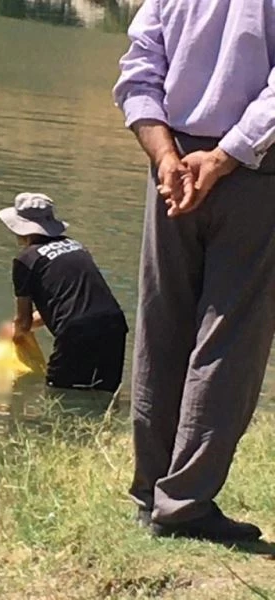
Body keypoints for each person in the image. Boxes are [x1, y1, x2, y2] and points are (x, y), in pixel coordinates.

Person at [112, 0, 275, 542]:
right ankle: (182, 504)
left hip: (173, 162)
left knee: (163, 326)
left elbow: (138, 72)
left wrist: (164, 156)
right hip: (251, 168)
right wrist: (227, 155)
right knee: (230, 335)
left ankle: (149, 492)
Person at [0, 192, 128, 394]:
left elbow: (23, 323)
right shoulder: (75, 246)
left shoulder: (26, 260)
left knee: (58, 394)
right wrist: (29, 325)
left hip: (75, 332)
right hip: (114, 325)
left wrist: (14, 331)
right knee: (105, 393)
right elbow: (69, 303)